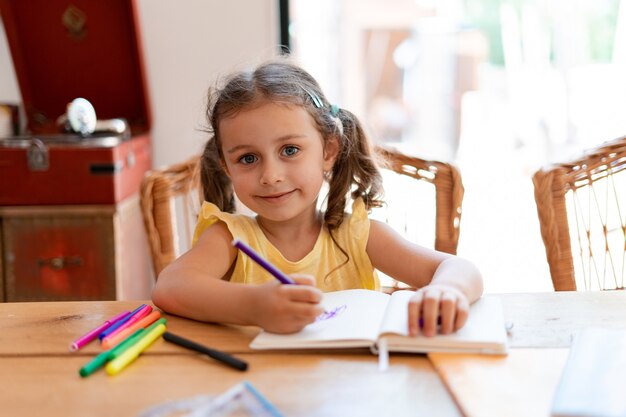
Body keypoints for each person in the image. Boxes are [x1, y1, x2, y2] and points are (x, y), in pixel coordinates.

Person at [152, 58, 483, 337]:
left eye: (290, 150)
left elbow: (460, 268)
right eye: (248, 159)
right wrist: (255, 306)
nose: (271, 175)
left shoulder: (360, 236)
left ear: (328, 151)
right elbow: (170, 287)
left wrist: (448, 290)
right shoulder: (229, 238)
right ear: (226, 166)